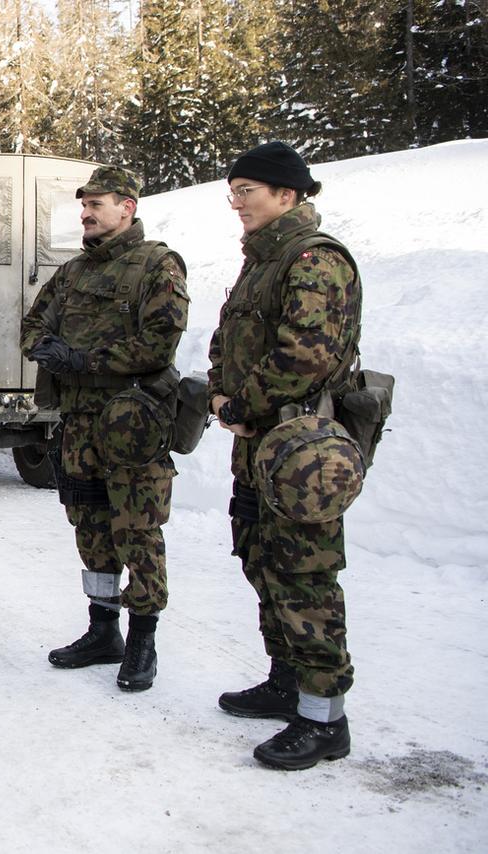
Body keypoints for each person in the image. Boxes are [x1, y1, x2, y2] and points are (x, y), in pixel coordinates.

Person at [208, 141, 361, 770]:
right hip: (260, 448)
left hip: (300, 450)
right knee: (261, 561)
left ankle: (325, 721)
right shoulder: (262, 263)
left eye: (248, 190)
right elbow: (227, 339)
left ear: (288, 196)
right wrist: (222, 390)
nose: (237, 202)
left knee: (304, 578)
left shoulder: (313, 261)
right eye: (233, 192)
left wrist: (241, 403)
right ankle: (285, 681)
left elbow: (307, 354)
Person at [20, 166, 188, 693]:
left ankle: (142, 643)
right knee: (90, 527)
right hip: (78, 426)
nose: (86, 213)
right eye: (83, 205)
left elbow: (160, 343)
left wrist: (85, 359)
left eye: (96, 204)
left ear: (127, 207)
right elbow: (32, 325)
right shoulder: (71, 273)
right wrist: (46, 349)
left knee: (137, 531)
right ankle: (102, 630)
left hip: (131, 424)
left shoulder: (158, 264)